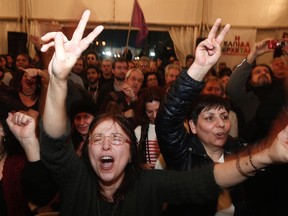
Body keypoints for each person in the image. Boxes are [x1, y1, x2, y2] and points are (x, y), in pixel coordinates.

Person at [39, 10, 288, 216]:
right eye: (97, 138)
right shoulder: (76, 179)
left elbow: (208, 179)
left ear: (131, 152)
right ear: (87, 149)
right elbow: (55, 144)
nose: (106, 145)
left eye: (116, 139)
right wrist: (58, 79)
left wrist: (268, 155)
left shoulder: (149, 184)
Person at [134, 86, 165, 169]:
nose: (154, 116)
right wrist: (141, 166)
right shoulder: (138, 131)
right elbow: (131, 161)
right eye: (149, 112)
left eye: (158, 110)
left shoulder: (172, 128)